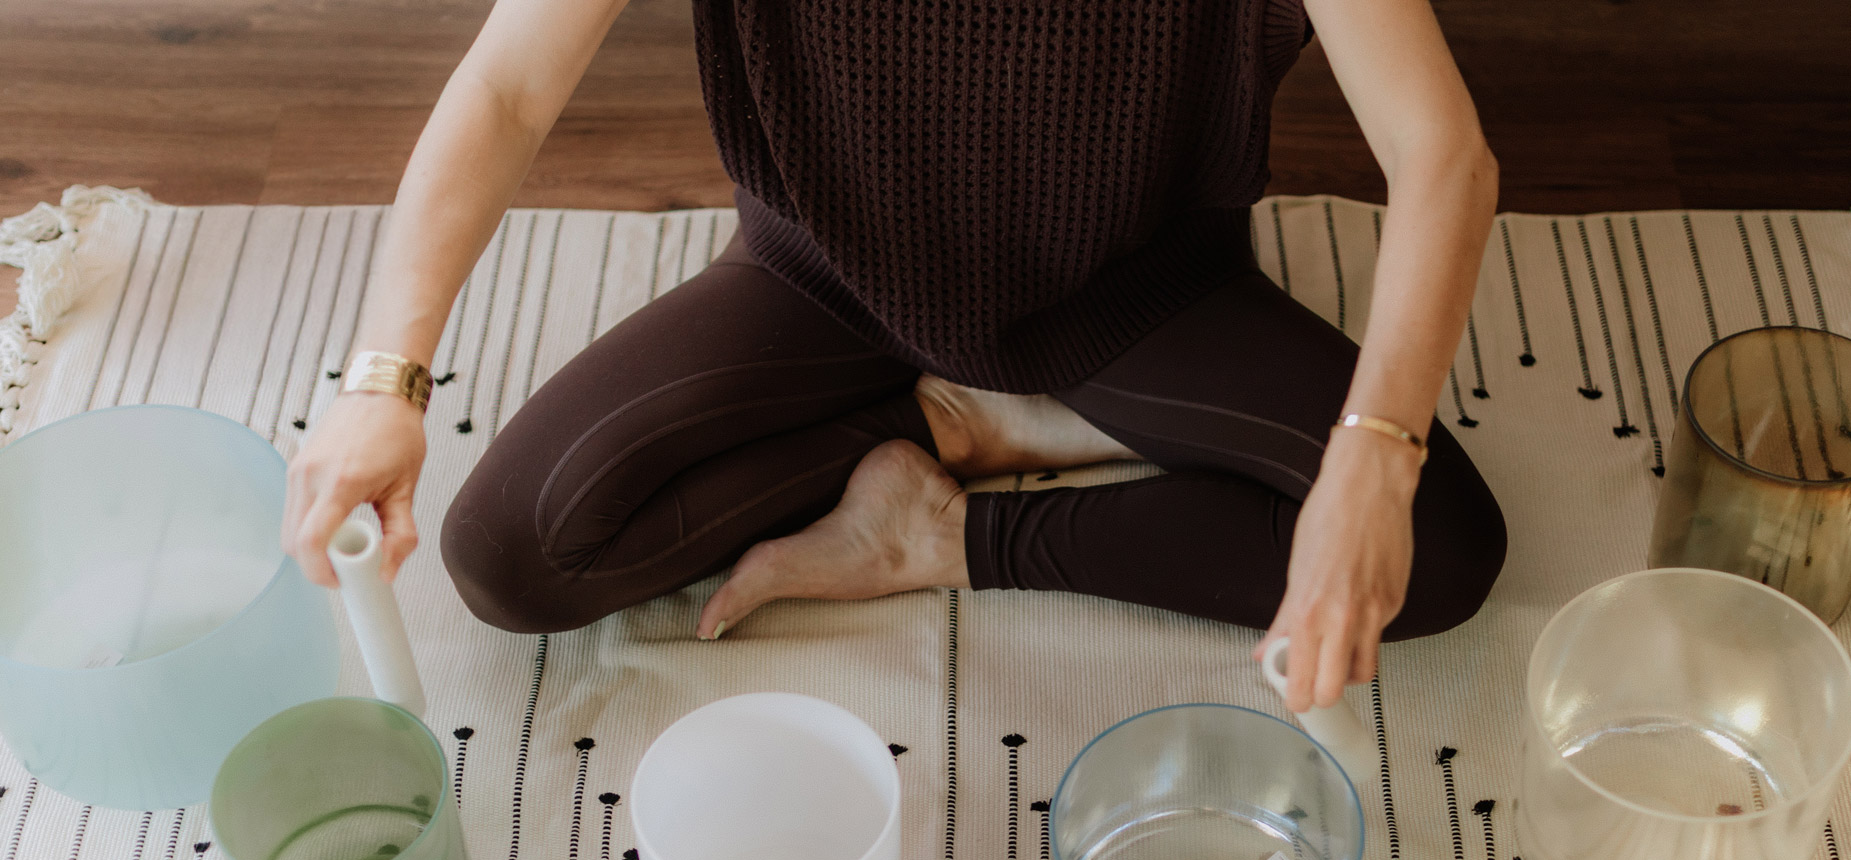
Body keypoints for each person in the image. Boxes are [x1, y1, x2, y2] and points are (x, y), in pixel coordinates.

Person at [281, 0, 1506, 715]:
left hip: (1131, 287)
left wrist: (1374, 456)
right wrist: (385, 378)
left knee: (1438, 547)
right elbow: (505, 89)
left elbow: (1442, 153)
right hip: (825, 273)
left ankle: (945, 531)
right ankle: (961, 424)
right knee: (509, 556)